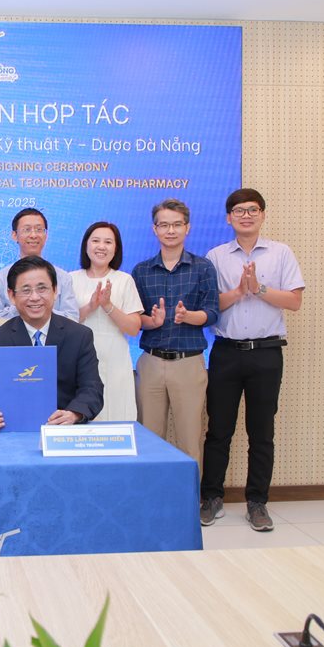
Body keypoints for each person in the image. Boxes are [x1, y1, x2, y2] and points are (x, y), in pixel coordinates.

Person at [200, 188, 305, 532]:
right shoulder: (216, 256)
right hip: (226, 352)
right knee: (218, 430)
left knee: (262, 432)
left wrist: (258, 288)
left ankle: (257, 502)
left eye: (252, 210)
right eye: (239, 210)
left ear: (262, 215)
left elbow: (294, 301)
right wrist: (238, 292)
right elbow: (210, 307)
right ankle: (211, 497)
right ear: (228, 217)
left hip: (267, 353)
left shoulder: (281, 253)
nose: (246, 215)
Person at [131, 199, 218, 464]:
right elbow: (135, 319)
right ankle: (151, 492)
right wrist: (151, 321)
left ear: (187, 228)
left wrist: (189, 317)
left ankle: (189, 493)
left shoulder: (203, 267)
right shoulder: (141, 271)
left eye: (177, 224)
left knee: (190, 441)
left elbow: (213, 312)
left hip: (188, 363)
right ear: (155, 229)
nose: (171, 230)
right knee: (148, 441)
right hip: (151, 363)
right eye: (164, 225)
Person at [0, 256, 103, 432]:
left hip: (65, 430)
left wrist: (74, 414)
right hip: (13, 430)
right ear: (11, 296)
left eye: (42, 288)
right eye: (26, 290)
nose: (34, 297)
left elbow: (92, 389)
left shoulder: (79, 335)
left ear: (55, 291)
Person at [70, 222, 144, 422]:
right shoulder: (70, 279)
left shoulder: (124, 280)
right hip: (79, 357)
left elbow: (133, 328)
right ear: (86, 245)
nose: (101, 246)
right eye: (95, 241)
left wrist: (108, 305)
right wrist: (90, 307)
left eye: (108, 242)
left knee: (116, 413)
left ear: (116, 248)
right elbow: (63, 323)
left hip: (115, 358)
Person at [0, 208, 79, 321]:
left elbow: (72, 317)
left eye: (39, 229)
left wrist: (42, 307)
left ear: (46, 235)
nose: (33, 235)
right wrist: (22, 305)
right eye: (27, 230)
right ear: (14, 235)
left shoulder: (63, 277)